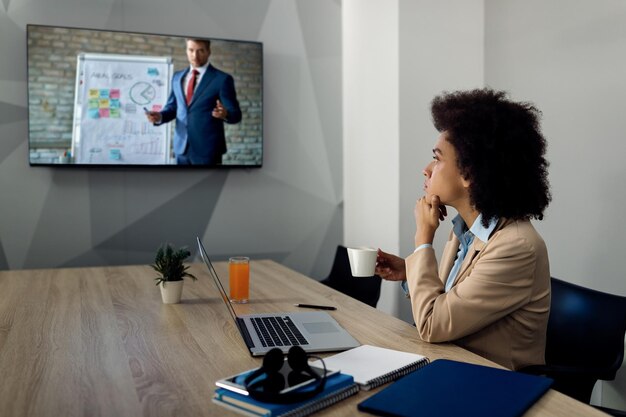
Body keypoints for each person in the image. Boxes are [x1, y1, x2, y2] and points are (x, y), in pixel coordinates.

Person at [376, 88, 551, 371]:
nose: (427, 169)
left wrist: (423, 240)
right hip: (450, 366)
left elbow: (433, 324)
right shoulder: (464, 229)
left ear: (468, 173)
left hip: (493, 388)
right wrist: (408, 270)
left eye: (438, 158)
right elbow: (451, 296)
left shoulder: (516, 247)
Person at [146, 39, 242, 165]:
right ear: (186, 51)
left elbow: (236, 114)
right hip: (181, 149)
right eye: (191, 50)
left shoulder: (222, 79)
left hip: (208, 151)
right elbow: (173, 107)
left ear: (208, 52)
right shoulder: (177, 77)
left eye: (200, 51)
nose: (195, 55)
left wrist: (225, 114)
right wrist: (160, 116)